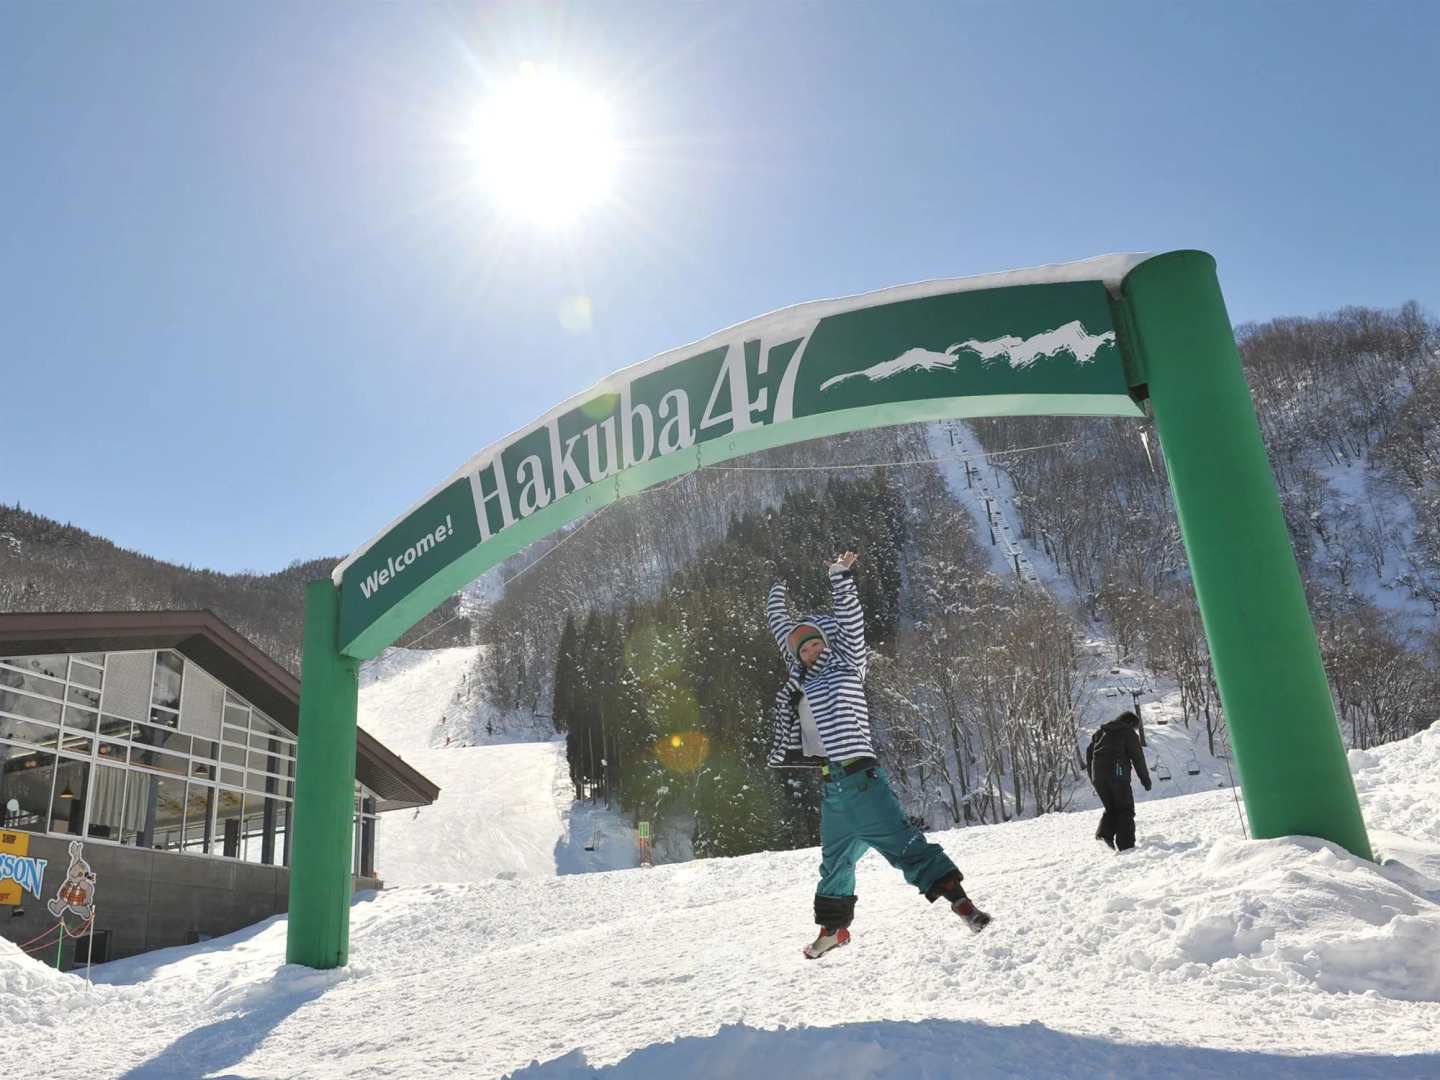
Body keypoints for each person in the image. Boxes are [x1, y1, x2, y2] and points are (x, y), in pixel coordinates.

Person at [767, 551, 991, 959]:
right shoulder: (799, 679)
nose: (812, 651)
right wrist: (776, 594)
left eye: (817, 643)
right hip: (834, 790)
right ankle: (832, 930)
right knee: (834, 865)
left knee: (907, 848)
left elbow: (851, 625)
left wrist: (840, 577)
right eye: (804, 649)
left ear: (828, 644)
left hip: (863, 782)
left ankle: (963, 905)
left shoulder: (848, 665)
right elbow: (784, 631)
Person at [1085, 710, 1152, 852]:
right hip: (1117, 773)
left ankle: (1104, 836)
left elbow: (1089, 755)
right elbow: (1137, 756)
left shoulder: (1100, 733)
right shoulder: (1128, 732)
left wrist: (1094, 777)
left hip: (1098, 776)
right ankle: (1126, 846)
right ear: (1131, 723)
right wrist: (1145, 778)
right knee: (1125, 808)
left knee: (1112, 808)